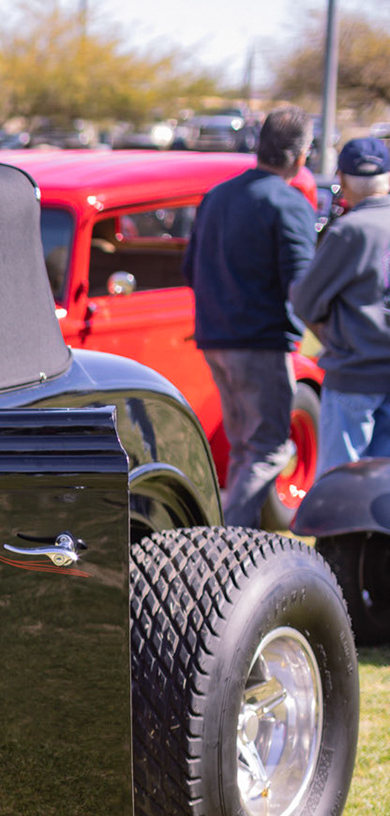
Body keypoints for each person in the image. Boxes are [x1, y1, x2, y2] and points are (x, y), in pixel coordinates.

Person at [181, 107, 316, 526]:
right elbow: (303, 285)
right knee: (268, 449)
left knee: (244, 447)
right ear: (300, 156)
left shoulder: (217, 196)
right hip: (260, 342)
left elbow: (190, 269)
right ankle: (231, 537)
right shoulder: (288, 203)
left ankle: (238, 536)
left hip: (216, 338)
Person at [290, 138, 390, 471]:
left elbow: (304, 299)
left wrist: (332, 336)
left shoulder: (349, 231)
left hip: (355, 374)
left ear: (343, 181)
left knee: (340, 481)